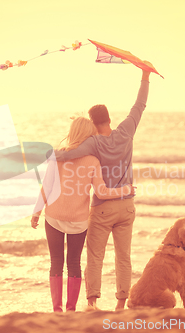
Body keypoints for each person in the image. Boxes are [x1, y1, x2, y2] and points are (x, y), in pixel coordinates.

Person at [52, 69, 151, 310]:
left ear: (93, 124)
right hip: (127, 205)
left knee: (95, 256)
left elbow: (70, 154)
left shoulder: (93, 142)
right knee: (123, 257)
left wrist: (46, 155)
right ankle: (120, 303)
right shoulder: (126, 131)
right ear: (109, 118)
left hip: (103, 208)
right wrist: (145, 76)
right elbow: (140, 104)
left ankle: (93, 302)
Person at [31, 117, 134, 312]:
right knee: (74, 263)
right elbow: (102, 192)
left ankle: (57, 310)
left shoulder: (58, 157)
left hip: (53, 217)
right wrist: (125, 190)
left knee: (56, 262)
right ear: (89, 135)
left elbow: (47, 186)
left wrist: (37, 211)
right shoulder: (93, 161)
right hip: (78, 221)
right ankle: (71, 310)